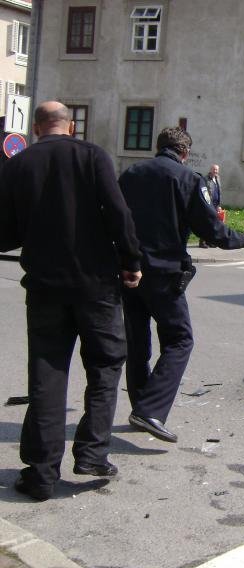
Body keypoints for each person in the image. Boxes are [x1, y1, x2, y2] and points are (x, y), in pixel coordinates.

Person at [0, 101, 142, 501]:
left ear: (36, 127)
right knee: (106, 365)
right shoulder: (92, 156)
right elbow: (119, 213)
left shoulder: (17, 165)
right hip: (97, 285)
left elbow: (5, 234)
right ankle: (93, 452)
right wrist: (131, 261)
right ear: (71, 126)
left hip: (45, 287)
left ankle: (41, 474)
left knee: (47, 376)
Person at [119, 127, 244, 444]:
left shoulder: (130, 174)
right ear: (184, 152)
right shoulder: (188, 179)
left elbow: (111, 217)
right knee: (180, 340)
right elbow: (213, 231)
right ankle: (150, 410)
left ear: (158, 147)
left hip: (130, 270)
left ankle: (141, 406)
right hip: (165, 274)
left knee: (137, 344)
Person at [199, 164, 222, 248]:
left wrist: (219, 205)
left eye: (217, 170)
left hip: (216, 205)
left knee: (213, 223)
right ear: (211, 170)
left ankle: (209, 241)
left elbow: (219, 192)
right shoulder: (205, 179)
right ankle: (202, 242)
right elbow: (204, 192)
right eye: (214, 169)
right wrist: (206, 203)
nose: (215, 171)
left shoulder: (217, 178)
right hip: (208, 204)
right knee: (206, 222)